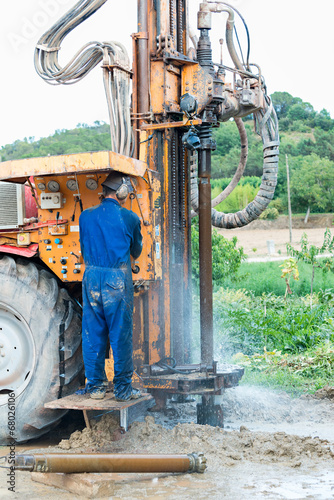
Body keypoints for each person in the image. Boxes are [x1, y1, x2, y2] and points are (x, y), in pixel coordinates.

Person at [78, 170, 143, 400]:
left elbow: (84, 250)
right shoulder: (130, 218)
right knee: (120, 334)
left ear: (103, 192)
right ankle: (123, 389)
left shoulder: (85, 216)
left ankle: (95, 387)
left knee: (93, 332)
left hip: (91, 278)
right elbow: (136, 250)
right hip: (116, 280)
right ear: (122, 192)